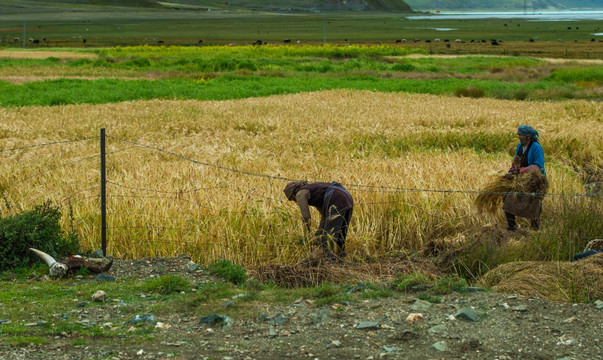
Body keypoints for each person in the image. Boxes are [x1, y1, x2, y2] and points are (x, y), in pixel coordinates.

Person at [284, 181, 353, 261]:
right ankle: (340, 260)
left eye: (292, 199)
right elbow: (324, 217)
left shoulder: (300, 194)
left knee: (327, 237)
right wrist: (318, 234)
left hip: (336, 198)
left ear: (292, 195)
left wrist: (307, 236)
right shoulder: (314, 191)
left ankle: (329, 263)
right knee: (339, 233)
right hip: (346, 196)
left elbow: (306, 217)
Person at [502, 125, 547, 231]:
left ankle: (535, 228)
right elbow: (515, 162)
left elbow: (538, 166)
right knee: (508, 197)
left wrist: (521, 171)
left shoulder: (536, 147)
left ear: (528, 137)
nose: (519, 137)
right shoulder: (520, 147)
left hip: (536, 180)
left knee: (534, 202)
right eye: (519, 135)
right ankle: (512, 227)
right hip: (522, 180)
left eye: (521, 135)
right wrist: (511, 172)